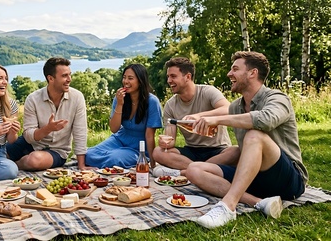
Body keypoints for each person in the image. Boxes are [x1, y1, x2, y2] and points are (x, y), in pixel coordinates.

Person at [186, 51, 308, 228]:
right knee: (193, 169)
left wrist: (218, 120)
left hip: (288, 180)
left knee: (255, 134)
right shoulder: (236, 106)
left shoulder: (277, 98)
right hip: (254, 179)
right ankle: (259, 203)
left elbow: (264, 121)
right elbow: (242, 149)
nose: (229, 74)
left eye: (235, 69)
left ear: (253, 73)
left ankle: (228, 207)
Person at [152, 57, 239, 177]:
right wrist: (165, 142)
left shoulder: (208, 91)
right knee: (158, 152)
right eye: (168, 77)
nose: (169, 80)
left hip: (219, 149)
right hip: (192, 151)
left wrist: (199, 116)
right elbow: (170, 141)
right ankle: (199, 171)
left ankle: (188, 172)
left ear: (187, 77)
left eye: (173, 76)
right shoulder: (170, 105)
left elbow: (228, 109)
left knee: (237, 151)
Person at [6, 57, 91, 171]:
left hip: (57, 151)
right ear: (50, 78)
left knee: (34, 160)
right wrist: (48, 129)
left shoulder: (77, 97)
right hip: (31, 144)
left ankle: (14, 166)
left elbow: (80, 133)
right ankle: (8, 164)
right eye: (64, 76)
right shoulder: (33, 99)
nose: (69, 79)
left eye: (70, 74)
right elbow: (28, 136)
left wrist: (81, 165)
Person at [85, 64, 163, 169]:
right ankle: (110, 159)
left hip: (139, 146)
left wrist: (152, 164)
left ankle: (113, 160)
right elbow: (114, 129)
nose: (125, 81)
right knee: (87, 154)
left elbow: (149, 136)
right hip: (119, 138)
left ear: (140, 81)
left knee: (115, 159)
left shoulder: (152, 101)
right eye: (124, 77)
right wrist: (120, 104)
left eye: (130, 78)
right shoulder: (119, 98)